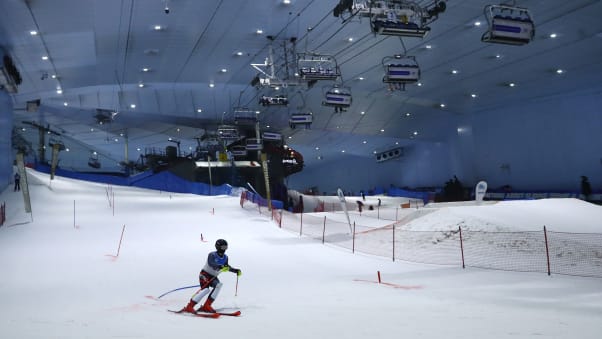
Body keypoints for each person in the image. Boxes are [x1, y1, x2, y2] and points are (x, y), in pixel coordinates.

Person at [182, 239, 241, 313]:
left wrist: (235, 270)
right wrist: (221, 267)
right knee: (205, 290)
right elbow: (211, 264)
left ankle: (207, 305)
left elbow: (227, 266)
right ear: (218, 247)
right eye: (223, 247)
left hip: (213, 277)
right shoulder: (212, 255)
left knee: (219, 285)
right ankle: (189, 306)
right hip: (205, 274)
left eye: (226, 247)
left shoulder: (225, 257)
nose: (224, 249)